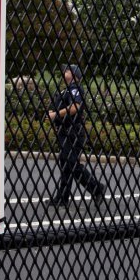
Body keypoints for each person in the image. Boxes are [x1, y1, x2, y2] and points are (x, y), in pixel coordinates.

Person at [47, 64, 105, 207]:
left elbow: (75, 107)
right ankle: (62, 198)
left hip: (73, 132)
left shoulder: (75, 88)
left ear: (74, 75)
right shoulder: (65, 90)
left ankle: (97, 188)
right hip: (65, 131)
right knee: (66, 164)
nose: (64, 71)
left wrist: (55, 114)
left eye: (67, 70)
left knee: (71, 163)